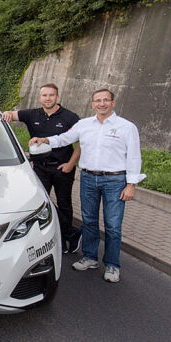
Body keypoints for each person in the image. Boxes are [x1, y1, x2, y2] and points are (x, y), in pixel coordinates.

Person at [29, 89, 145, 283]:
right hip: (88, 179)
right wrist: (45, 140)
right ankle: (90, 257)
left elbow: (134, 156)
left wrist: (131, 184)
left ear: (113, 103)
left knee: (113, 226)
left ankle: (112, 265)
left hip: (115, 181)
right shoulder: (84, 125)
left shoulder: (126, 127)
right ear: (92, 104)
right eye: (98, 101)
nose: (102, 104)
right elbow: (64, 139)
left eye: (106, 100)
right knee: (89, 221)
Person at [2, 83, 82, 253]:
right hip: (39, 168)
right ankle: (68, 233)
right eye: (44, 95)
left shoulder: (70, 117)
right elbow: (11, 114)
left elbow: (81, 142)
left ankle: (69, 237)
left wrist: (71, 164)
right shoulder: (32, 114)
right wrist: (7, 114)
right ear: (40, 98)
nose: (48, 98)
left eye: (51, 95)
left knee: (64, 203)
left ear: (57, 97)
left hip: (62, 168)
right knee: (40, 203)